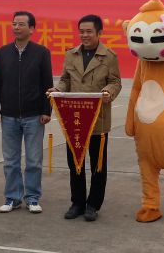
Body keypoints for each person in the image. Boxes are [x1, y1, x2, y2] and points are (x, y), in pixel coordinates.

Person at [50, 15, 122, 222]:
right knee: (75, 163)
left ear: (99, 33)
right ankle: (77, 203)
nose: (84, 35)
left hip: (98, 120)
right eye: (81, 31)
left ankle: (93, 205)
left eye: (89, 31)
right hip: (75, 120)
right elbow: (65, 79)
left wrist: (108, 92)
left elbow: (115, 82)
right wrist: (57, 89)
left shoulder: (109, 56)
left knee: (98, 165)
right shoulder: (71, 54)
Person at [0, 11, 53, 213]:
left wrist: (46, 110)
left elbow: (47, 84)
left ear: (32, 29)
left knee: (34, 161)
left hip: (34, 116)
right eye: (14, 24)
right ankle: (12, 198)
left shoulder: (41, 53)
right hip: (8, 116)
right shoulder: (2, 53)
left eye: (21, 24)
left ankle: (32, 198)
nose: (16, 27)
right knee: (10, 161)